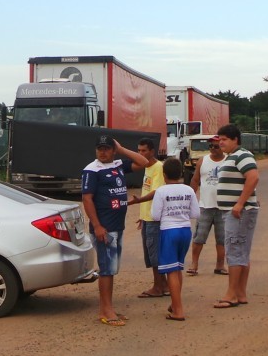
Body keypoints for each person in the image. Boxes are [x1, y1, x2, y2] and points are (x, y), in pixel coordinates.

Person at [81, 135, 151, 326]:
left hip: (117, 226)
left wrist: (121, 149)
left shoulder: (117, 165)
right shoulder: (92, 170)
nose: (102, 152)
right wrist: (97, 226)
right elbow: (87, 199)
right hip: (104, 227)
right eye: (99, 148)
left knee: (111, 270)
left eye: (107, 148)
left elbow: (144, 162)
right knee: (106, 269)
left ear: (113, 150)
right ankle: (106, 311)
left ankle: (108, 307)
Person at [213, 124, 259, 309]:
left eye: (224, 139)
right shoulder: (231, 157)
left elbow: (253, 177)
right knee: (241, 252)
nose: (220, 142)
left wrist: (240, 203)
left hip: (238, 212)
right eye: (220, 139)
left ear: (235, 140)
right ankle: (240, 293)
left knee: (234, 251)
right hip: (236, 211)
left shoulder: (242, 155)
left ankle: (231, 295)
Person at [151, 158, 199, 321]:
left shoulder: (161, 191)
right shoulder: (188, 190)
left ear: (164, 175)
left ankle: (178, 310)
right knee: (177, 268)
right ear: (180, 173)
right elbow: (195, 214)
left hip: (169, 231)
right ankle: (175, 303)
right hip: (185, 230)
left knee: (171, 270)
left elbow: (155, 215)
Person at [127, 138, 168, 298]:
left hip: (154, 219)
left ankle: (158, 287)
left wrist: (137, 201)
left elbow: (157, 192)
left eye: (144, 150)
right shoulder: (147, 167)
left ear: (152, 151)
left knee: (154, 254)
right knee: (151, 254)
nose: (141, 153)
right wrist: (142, 216)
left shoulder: (158, 167)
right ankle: (163, 284)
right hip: (147, 217)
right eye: (139, 150)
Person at [188, 136, 227, 276]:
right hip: (205, 206)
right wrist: (191, 198)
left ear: (222, 146)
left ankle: (220, 265)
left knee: (222, 239)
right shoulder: (202, 161)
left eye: (216, 146)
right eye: (210, 146)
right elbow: (195, 180)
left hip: (223, 207)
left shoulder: (229, 160)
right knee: (199, 237)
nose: (213, 149)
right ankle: (194, 264)